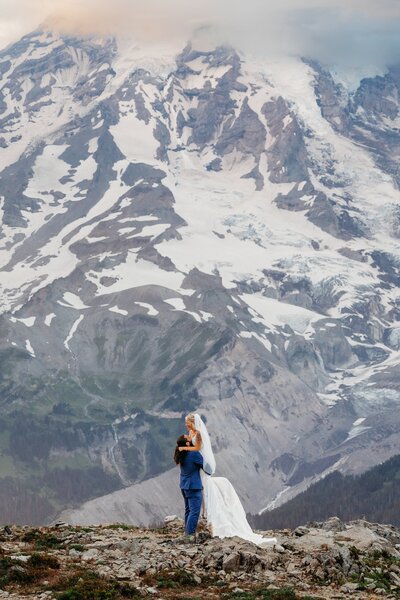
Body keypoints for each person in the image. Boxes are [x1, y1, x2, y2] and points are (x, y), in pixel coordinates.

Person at [179, 413, 277, 547]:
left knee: (193, 506)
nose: (185, 424)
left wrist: (185, 447)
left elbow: (197, 448)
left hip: (193, 471)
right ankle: (195, 529)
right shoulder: (192, 433)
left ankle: (197, 527)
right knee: (193, 506)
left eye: (187, 422)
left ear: (193, 422)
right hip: (195, 472)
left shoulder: (199, 435)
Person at [174, 435, 204, 540]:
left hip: (184, 485)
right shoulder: (193, 454)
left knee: (188, 510)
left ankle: (187, 533)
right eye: (187, 437)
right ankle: (190, 535)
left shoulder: (183, 453)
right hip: (193, 486)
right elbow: (203, 463)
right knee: (194, 511)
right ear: (187, 443)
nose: (189, 436)